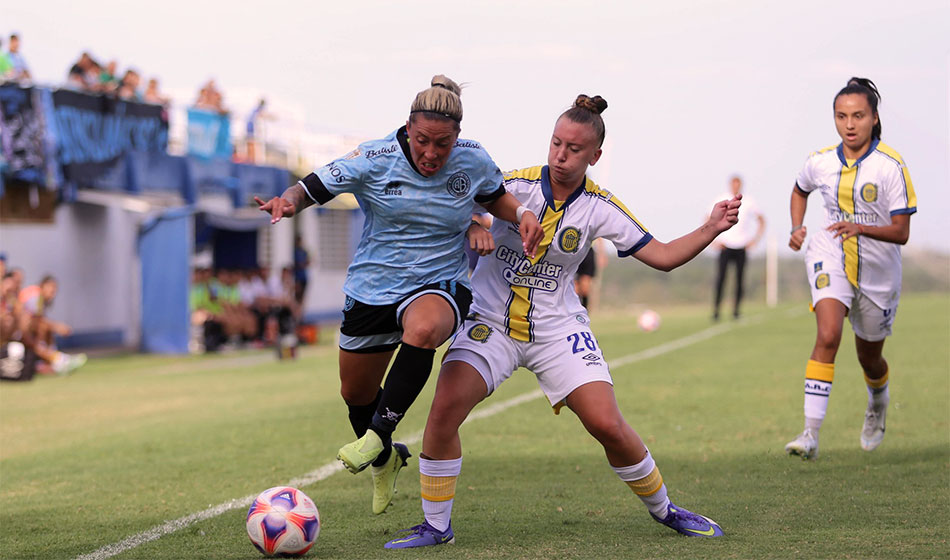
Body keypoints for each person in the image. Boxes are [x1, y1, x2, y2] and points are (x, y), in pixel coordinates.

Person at [385, 94, 740, 549]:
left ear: (595, 155)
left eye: (573, 149)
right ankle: (436, 527)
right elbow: (456, 197)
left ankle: (667, 510)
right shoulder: (513, 184)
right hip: (490, 322)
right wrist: (475, 222)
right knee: (443, 412)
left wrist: (711, 227)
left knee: (607, 425)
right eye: (555, 143)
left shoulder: (600, 206)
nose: (560, 155)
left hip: (558, 328)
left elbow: (665, 257)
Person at [255, 75, 543, 515]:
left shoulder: (473, 160)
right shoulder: (374, 157)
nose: (431, 153)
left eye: (442, 144)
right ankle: (388, 458)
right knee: (355, 393)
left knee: (424, 327)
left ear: (457, 139)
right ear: (407, 128)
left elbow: (496, 198)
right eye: (424, 140)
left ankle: (376, 437)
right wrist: (288, 201)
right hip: (372, 288)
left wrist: (521, 213)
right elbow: (312, 185)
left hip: (440, 282)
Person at [784, 78, 916, 460]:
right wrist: (797, 227)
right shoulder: (820, 161)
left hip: (879, 271)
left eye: (858, 115)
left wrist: (860, 227)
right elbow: (799, 189)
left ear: (874, 118)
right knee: (828, 335)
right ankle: (809, 434)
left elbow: (902, 232)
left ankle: (877, 400)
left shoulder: (891, 167)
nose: (849, 124)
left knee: (869, 358)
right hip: (830, 251)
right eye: (841, 116)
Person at [710, 175, 766, 320]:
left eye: (738, 184)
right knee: (721, 279)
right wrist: (713, 241)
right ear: (730, 185)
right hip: (725, 246)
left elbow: (761, 219)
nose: (735, 187)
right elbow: (708, 219)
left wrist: (755, 240)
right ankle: (716, 311)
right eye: (733, 184)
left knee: (739, 280)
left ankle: (736, 311)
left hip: (741, 246)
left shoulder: (748, 201)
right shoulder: (721, 199)